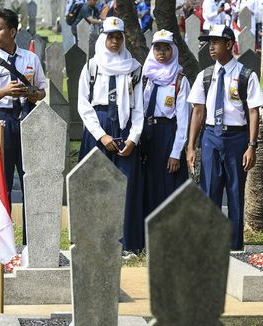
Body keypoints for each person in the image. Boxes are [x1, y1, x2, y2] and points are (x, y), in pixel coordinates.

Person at [187, 24, 263, 250]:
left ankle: (233, 246)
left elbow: (253, 111)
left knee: (234, 193)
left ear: (229, 44)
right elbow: (198, 111)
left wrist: (252, 145)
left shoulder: (245, 75)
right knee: (209, 190)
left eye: (216, 42)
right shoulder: (205, 76)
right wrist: (191, 146)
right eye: (209, 43)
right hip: (210, 137)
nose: (211, 47)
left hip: (236, 139)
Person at [0, 9, 46, 245]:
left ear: (13, 31)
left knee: (31, 180)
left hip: (27, 119)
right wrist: (5, 91)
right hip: (2, 122)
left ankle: (31, 243)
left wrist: (33, 93)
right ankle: (5, 246)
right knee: (2, 183)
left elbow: (42, 90)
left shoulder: (30, 59)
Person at [77, 17, 144, 258]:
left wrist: (133, 138)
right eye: (110, 36)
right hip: (99, 127)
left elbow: (139, 108)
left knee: (125, 186)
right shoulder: (92, 67)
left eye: (118, 37)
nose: (114, 41)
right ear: (103, 38)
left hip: (125, 129)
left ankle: (124, 244)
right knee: (96, 186)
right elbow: (84, 105)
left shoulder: (134, 68)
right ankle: (94, 243)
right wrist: (101, 135)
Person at [141, 29, 191, 216]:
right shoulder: (148, 77)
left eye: (166, 49)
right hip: (148, 135)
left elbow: (183, 120)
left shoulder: (179, 80)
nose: (161, 53)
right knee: (150, 184)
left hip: (168, 134)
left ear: (173, 51)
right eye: (157, 49)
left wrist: (176, 153)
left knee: (170, 186)